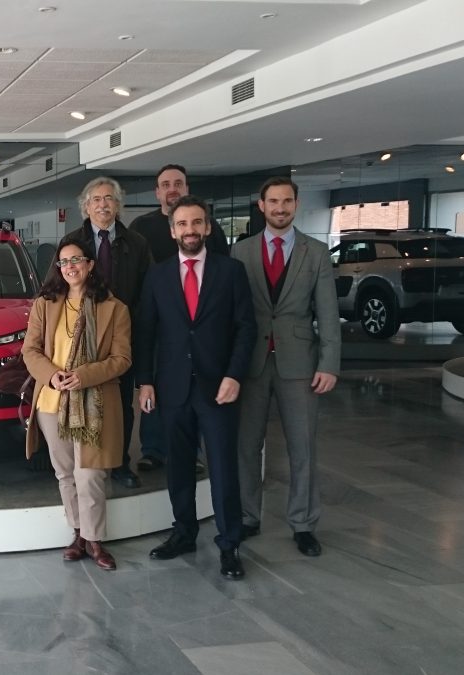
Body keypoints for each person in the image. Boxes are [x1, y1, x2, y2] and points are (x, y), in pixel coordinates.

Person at [137, 195, 256, 579]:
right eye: (182, 224)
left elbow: (245, 329)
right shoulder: (157, 276)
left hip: (218, 388)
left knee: (223, 469)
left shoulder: (231, 271)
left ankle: (229, 543)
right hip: (171, 390)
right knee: (179, 469)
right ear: (173, 231)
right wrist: (145, 382)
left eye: (197, 223)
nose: (190, 230)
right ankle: (184, 532)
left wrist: (235, 375)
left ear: (208, 227)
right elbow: (145, 334)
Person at [231, 177, 340, 557]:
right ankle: (247, 516)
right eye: (273, 201)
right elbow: (233, 315)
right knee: (246, 446)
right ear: (261, 206)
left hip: (301, 364)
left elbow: (328, 314)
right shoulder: (241, 252)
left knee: (303, 448)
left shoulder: (316, 252)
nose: (280, 208)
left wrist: (330, 364)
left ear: (297, 205)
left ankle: (304, 523)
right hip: (251, 365)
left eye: (287, 201)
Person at [23, 234, 132, 571]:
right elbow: (31, 351)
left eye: (76, 260)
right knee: (66, 473)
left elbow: (122, 359)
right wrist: (52, 375)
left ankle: (95, 539)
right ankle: (78, 534)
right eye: (64, 262)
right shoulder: (45, 303)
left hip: (95, 401)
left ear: (90, 265)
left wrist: (84, 376)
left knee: (91, 474)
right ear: (59, 268)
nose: (70, 267)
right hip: (52, 402)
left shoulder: (115, 308)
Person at [129, 164, 229, 473]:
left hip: (197, 325)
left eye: (178, 183)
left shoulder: (209, 229)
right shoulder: (140, 227)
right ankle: (153, 449)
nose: (172, 188)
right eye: (166, 184)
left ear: (186, 188)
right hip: (158, 321)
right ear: (157, 192)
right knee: (155, 386)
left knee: (195, 386)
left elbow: (222, 276)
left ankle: (192, 449)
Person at [64, 177, 152, 489]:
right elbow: (56, 287)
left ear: (118, 205)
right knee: (80, 398)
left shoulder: (137, 244)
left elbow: (147, 293)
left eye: (109, 199)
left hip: (121, 337)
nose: (103, 204)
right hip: (80, 337)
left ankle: (119, 463)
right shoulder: (72, 242)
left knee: (119, 406)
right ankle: (82, 461)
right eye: (97, 199)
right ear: (85, 207)